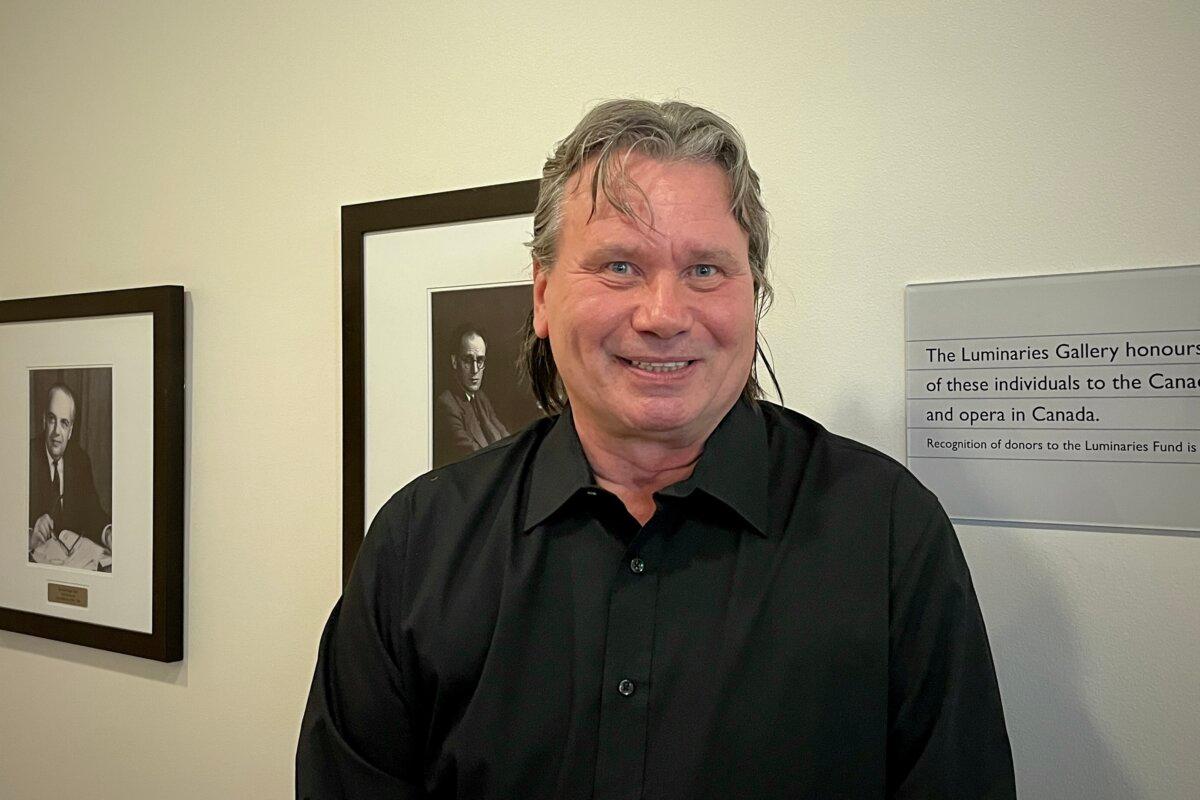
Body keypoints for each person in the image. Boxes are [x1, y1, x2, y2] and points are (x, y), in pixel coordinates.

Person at [298, 100, 1015, 798]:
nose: (664, 316)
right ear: (542, 297)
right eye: (619, 266)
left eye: (705, 270)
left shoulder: (887, 532)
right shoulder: (418, 543)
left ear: (753, 297)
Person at [28, 383, 112, 564]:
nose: (56, 432)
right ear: (43, 420)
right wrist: (28, 535)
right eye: (52, 419)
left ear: (71, 430)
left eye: (64, 423)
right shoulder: (26, 456)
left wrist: (108, 533)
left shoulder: (80, 460)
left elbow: (93, 511)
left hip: (73, 565)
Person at [433, 325, 510, 465]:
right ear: (454, 362)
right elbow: (475, 458)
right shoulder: (446, 405)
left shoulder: (480, 398)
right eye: (468, 360)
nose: (475, 370)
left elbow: (506, 437)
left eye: (480, 360)